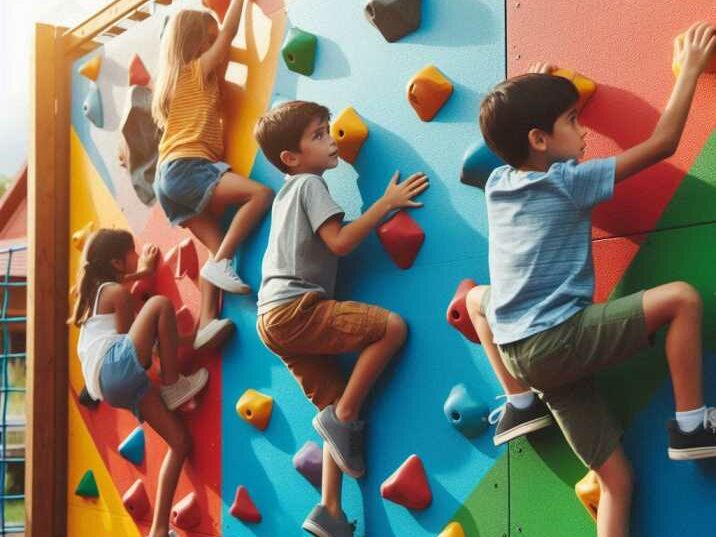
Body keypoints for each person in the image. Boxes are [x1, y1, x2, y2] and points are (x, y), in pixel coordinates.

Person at [467, 21, 716, 537]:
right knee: (682, 300)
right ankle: (693, 424)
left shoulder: (498, 183)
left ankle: (517, 402)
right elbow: (665, 142)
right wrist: (689, 69)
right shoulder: (567, 183)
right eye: (572, 120)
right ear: (538, 139)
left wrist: (536, 91)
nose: (583, 132)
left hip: (524, 358)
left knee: (617, 482)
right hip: (556, 342)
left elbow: (510, 138)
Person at [253, 100, 428, 537]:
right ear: (291, 159)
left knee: (331, 407)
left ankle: (329, 509)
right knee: (392, 328)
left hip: (272, 319)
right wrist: (386, 204)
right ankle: (346, 413)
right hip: (297, 309)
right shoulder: (309, 185)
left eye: (328, 130)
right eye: (318, 135)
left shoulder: (286, 196)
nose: (331, 140)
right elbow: (341, 242)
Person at [70, 228, 209, 537]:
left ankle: (158, 530)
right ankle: (173, 385)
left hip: (114, 386)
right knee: (159, 304)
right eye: (132, 251)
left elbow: (147, 343)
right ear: (119, 263)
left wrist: (192, 340)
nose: (138, 254)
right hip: (117, 367)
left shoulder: (102, 294)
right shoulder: (116, 293)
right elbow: (138, 347)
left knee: (180, 442)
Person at [152, 0, 273, 351]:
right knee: (260, 195)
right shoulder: (196, 70)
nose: (216, 46)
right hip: (188, 167)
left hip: (168, 180)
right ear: (193, 44)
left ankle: (206, 321)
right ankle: (220, 265)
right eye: (208, 40)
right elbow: (231, 34)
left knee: (217, 246)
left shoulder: (175, 82)